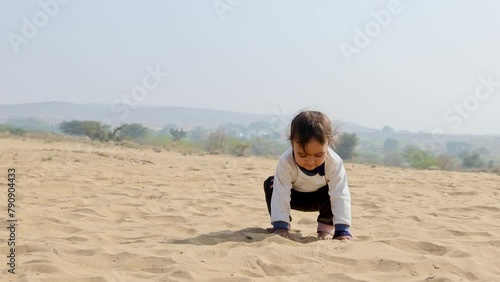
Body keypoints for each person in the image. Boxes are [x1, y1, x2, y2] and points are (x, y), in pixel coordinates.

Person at [263, 110, 352, 240]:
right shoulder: (286, 161)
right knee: (271, 183)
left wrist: (342, 229)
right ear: (292, 144)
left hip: (320, 199)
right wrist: (280, 225)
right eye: (302, 155)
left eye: (318, 155)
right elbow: (281, 193)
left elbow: (340, 195)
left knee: (333, 190)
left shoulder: (334, 163)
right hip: (294, 197)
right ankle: (282, 225)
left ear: (328, 143)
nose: (310, 162)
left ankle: (325, 229)